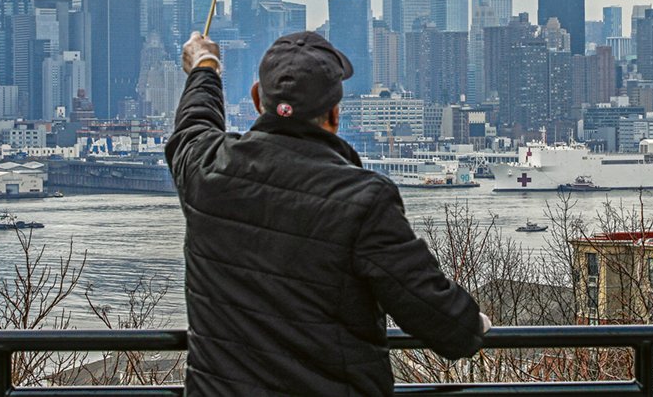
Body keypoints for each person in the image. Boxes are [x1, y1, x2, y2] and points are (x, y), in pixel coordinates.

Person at [166, 30, 488, 396]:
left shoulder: (207, 170)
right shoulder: (365, 199)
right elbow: (438, 318)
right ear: (335, 113)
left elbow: (193, 125)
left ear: (258, 98)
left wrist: (205, 66)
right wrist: (472, 325)